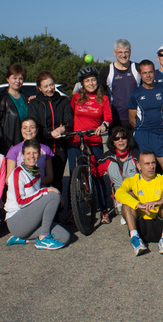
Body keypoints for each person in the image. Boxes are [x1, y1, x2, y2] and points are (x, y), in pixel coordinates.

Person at [5, 139, 70, 250]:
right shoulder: (17, 173)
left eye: (35, 153)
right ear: (23, 155)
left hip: (30, 219)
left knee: (64, 237)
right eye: (28, 153)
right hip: (16, 221)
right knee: (53, 195)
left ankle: (23, 239)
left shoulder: (37, 172)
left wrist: (56, 193)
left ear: (39, 154)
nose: (32, 156)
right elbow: (20, 202)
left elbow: (37, 195)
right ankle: (44, 238)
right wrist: (47, 192)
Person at [116, 151, 163, 255]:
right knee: (128, 197)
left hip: (159, 223)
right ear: (139, 166)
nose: (151, 167)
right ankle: (135, 238)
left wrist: (161, 201)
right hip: (140, 225)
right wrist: (137, 204)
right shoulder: (132, 180)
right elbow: (119, 193)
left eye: (153, 163)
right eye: (147, 164)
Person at [70, 65, 112, 222]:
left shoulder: (103, 99)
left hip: (94, 140)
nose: (91, 83)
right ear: (82, 83)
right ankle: (72, 209)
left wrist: (103, 126)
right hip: (76, 140)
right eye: (87, 81)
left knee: (97, 175)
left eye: (93, 80)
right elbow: (69, 115)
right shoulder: (76, 98)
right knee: (76, 176)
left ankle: (104, 209)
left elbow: (108, 117)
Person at [27, 70, 73, 195]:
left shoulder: (63, 101)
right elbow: (34, 125)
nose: (50, 89)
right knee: (43, 181)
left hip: (60, 148)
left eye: (51, 85)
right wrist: (49, 133)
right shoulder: (34, 103)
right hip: (42, 148)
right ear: (39, 88)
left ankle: (58, 209)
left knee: (57, 181)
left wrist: (64, 127)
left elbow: (69, 120)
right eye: (45, 86)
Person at [128, 60, 163, 178]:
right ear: (139, 74)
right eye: (144, 73)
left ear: (154, 72)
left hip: (160, 136)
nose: (148, 75)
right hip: (143, 137)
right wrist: (143, 129)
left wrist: (160, 126)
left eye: (150, 72)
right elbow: (132, 119)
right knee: (146, 174)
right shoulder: (135, 94)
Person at [93, 127, 139, 221]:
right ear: (112, 142)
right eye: (116, 138)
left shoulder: (136, 154)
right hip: (119, 198)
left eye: (123, 137)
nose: (120, 140)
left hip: (137, 195)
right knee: (122, 207)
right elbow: (96, 173)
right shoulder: (107, 158)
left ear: (128, 139)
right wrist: (90, 156)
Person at [98, 39, 140, 132]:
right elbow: (102, 97)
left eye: (126, 52)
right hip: (115, 119)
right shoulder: (106, 71)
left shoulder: (137, 68)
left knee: (136, 146)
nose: (123, 55)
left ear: (130, 52)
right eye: (120, 52)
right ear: (114, 53)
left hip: (137, 118)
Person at [0, 63, 29, 155]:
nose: (17, 81)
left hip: (26, 145)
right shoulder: (0, 98)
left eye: (21, 78)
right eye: (14, 78)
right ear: (7, 79)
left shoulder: (27, 98)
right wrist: (6, 143)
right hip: (8, 147)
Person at [5, 117, 54, 186]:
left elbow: (50, 176)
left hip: (40, 190)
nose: (28, 130)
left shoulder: (45, 149)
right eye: (24, 128)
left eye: (32, 127)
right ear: (21, 130)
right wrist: (25, 184)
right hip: (21, 190)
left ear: (37, 130)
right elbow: (8, 179)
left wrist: (35, 182)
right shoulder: (14, 150)